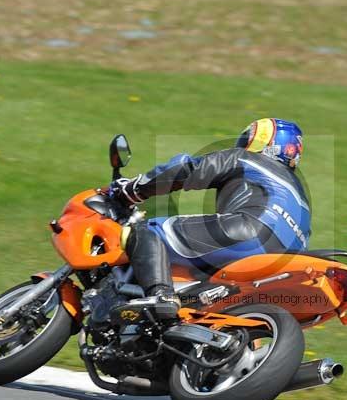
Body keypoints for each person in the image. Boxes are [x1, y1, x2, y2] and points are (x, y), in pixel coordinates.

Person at [112, 118, 310, 321]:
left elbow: (187, 170)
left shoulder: (245, 159)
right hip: (286, 260)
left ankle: (161, 295)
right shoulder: (302, 199)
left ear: (263, 142)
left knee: (147, 230)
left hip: (249, 233)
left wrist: (132, 190)